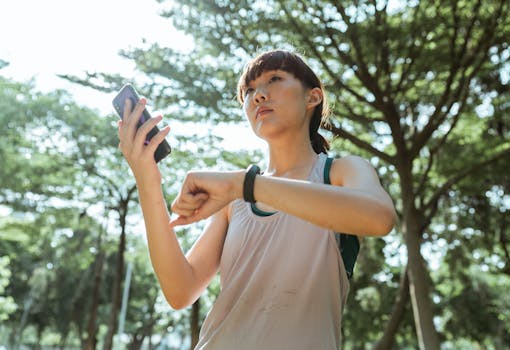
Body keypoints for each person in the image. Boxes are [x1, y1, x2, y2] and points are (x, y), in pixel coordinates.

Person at [118, 49, 396, 349]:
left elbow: (379, 217)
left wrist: (244, 185)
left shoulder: (340, 172)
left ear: (313, 97)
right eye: (249, 91)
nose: (258, 95)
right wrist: (147, 182)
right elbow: (180, 290)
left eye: (274, 79)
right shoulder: (236, 197)